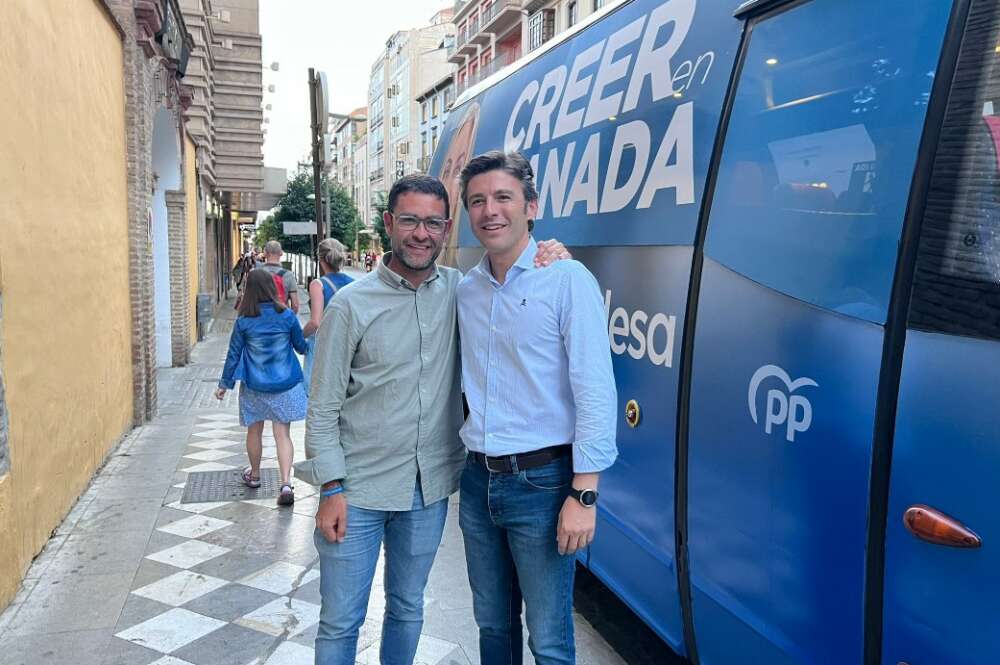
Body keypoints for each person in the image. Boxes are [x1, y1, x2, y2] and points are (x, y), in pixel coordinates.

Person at [295, 174, 568, 665]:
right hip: (356, 490)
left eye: (433, 223)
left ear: (446, 229)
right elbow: (323, 405)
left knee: (407, 607)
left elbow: (515, 283)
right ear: (388, 225)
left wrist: (552, 255)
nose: (421, 233)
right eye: (410, 221)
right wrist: (330, 487)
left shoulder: (462, 292)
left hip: (427, 490)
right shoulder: (351, 305)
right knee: (340, 620)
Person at [456, 151, 618, 665]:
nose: (490, 211)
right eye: (477, 201)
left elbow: (594, 388)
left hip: (543, 484)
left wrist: (584, 494)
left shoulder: (567, 280)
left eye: (503, 197)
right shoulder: (465, 290)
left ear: (531, 206)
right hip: (477, 482)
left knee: (548, 640)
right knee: (492, 626)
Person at [215, 269, 308, 506]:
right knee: (282, 435)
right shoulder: (286, 316)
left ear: (249, 290)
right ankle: (286, 482)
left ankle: (255, 475)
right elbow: (301, 347)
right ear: (271, 288)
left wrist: (224, 384)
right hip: (285, 384)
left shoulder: (244, 321)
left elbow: (233, 354)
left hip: (255, 385)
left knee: (254, 431)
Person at [302, 238, 354, 393]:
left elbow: (315, 322)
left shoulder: (318, 284)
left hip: (322, 344)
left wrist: (299, 336)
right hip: (347, 342)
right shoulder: (353, 283)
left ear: (321, 259)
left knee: (317, 392)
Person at [260, 240, 299, 313]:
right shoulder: (288, 275)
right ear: (281, 253)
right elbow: (295, 305)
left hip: (260, 320)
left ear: (265, 253)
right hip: (282, 317)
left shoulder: (255, 274)